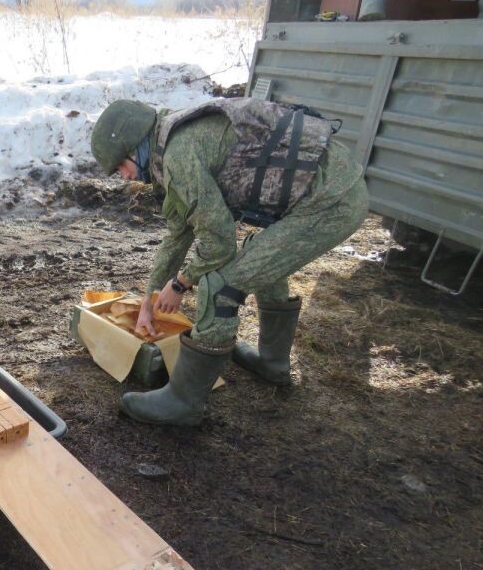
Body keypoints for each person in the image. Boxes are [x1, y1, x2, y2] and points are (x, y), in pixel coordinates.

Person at [90, 97, 368, 426]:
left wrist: (180, 284)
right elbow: (178, 236)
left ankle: (183, 402)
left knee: (220, 286)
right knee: (257, 254)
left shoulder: (180, 153)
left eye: (121, 166)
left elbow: (219, 244)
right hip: (330, 190)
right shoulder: (170, 146)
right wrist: (149, 301)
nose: (123, 177)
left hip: (331, 201)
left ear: (135, 147)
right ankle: (272, 363)